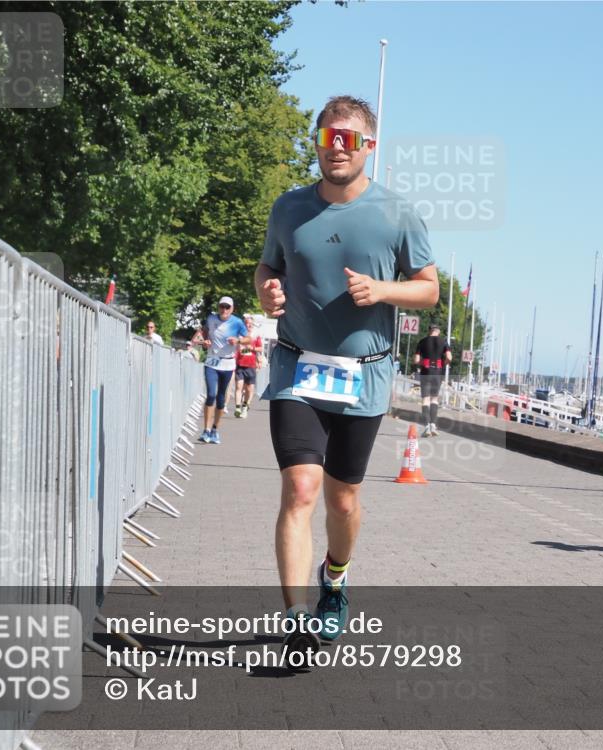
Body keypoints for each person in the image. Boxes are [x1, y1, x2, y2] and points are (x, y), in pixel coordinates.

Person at [255, 95, 438, 664]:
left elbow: (429, 288)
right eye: (328, 138)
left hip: (364, 377)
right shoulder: (288, 208)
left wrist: (384, 290)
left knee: (343, 498)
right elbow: (268, 265)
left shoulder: (397, 213)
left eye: (349, 140)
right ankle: (295, 623)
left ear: (369, 147)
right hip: (297, 366)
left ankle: (334, 580)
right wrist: (266, 287)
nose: (337, 149)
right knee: (300, 490)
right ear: (317, 142)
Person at [196, 296, 247, 445]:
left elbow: (248, 338)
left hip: (227, 364)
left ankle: (215, 430)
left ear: (232, 309)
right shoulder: (211, 319)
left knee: (221, 398)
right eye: (222, 307)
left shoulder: (237, 322)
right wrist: (205, 341)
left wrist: (238, 341)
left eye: (227, 307)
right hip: (212, 361)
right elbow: (204, 331)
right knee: (211, 394)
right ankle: (205, 430)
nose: (224, 310)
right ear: (218, 307)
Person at [412, 323, 451, 437]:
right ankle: (433, 425)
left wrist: (423, 363)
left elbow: (416, 360)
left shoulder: (422, 342)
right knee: (434, 399)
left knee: (425, 400)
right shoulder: (444, 342)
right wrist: (443, 364)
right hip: (438, 372)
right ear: (438, 331)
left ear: (430, 331)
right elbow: (449, 357)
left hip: (426, 372)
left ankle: (427, 427)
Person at [234, 316, 264, 418]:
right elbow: (240, 350)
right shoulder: (240, 336)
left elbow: (260, 348)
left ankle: (245, 407)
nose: (249, 325)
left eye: (250, 323)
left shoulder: (255, 336)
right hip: (240, 364)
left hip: (251, 365)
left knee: (249, 389)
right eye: (247, 323)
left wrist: (253, 348)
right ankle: (237, 408)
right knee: (239, 386)